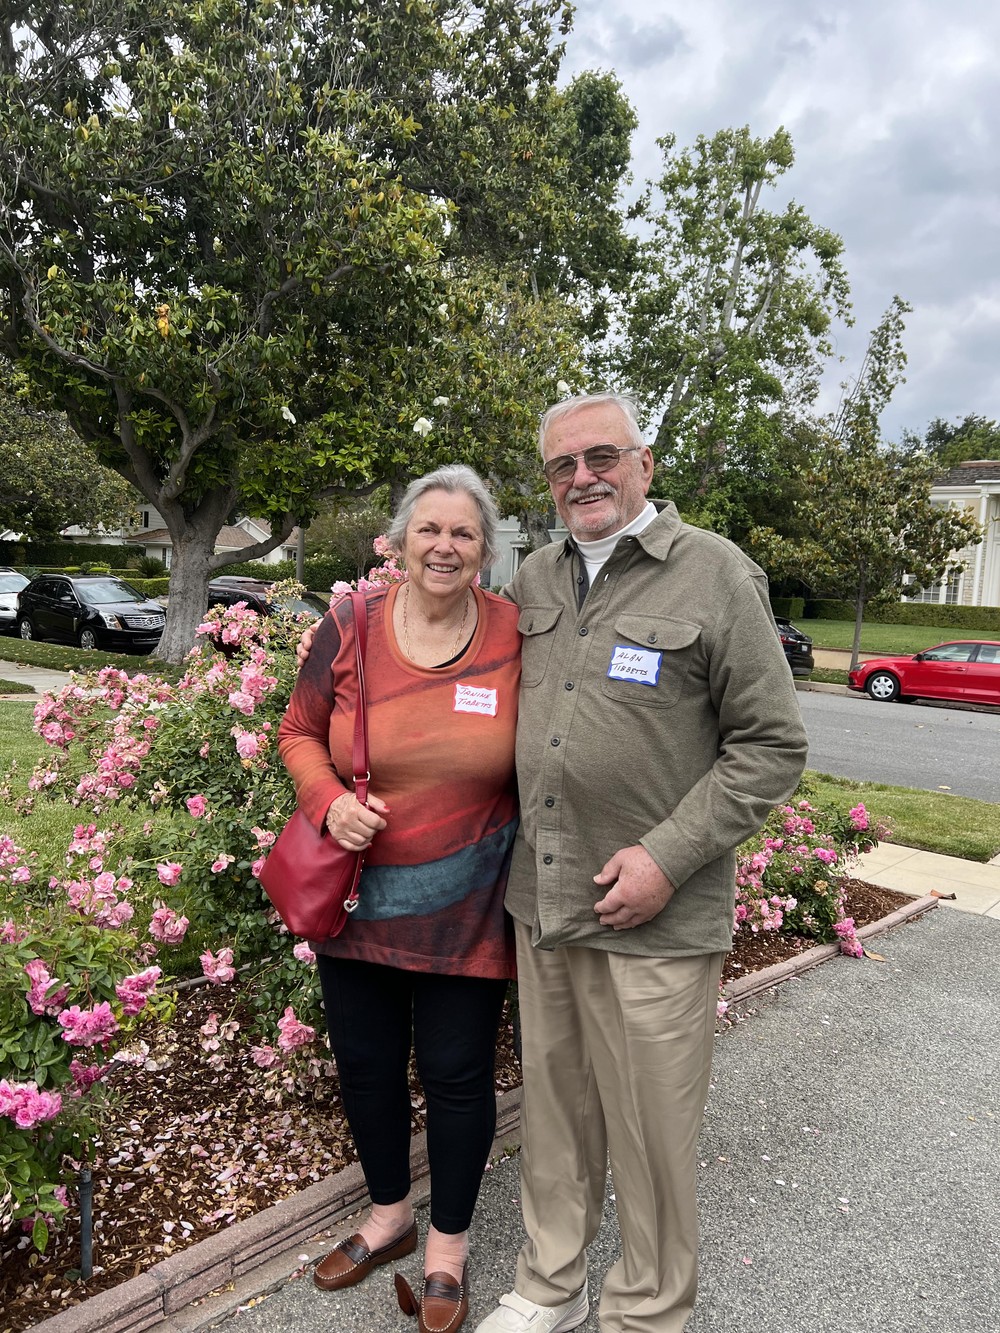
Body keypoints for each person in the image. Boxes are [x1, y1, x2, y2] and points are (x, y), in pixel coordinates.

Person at [471, 392, 809, 1333]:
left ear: (644, 464)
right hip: (545, 899)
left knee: (653, 1131)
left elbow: (771, 746)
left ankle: (648, 1311)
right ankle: (551, 1284)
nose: (582, 477)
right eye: (562, 465)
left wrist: (667, 856)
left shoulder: (714, 574)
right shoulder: (535, 575)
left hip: (656, 916)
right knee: (555, 1114)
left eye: (602, 457)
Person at [278, 463, 521, 1333]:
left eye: (463, 532)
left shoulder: (517, 633)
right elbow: (299, 731)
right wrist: (327, 802)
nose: (444, 546)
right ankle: (389, 1217)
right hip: (360, 900)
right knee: (367, 1065)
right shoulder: (348, 624)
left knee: (457, 1075)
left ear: (484, 548)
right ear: (399, 540)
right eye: (430, 529)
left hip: (469, 907)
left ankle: (447, 1246)